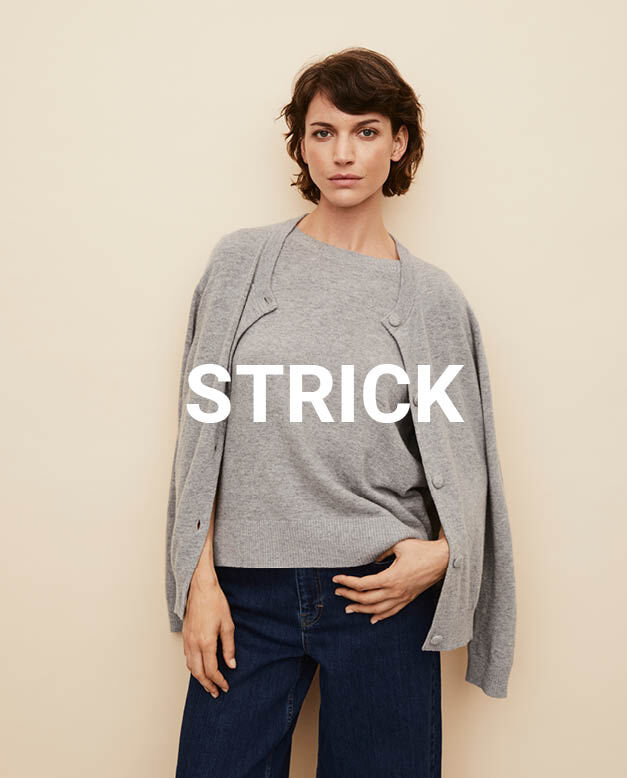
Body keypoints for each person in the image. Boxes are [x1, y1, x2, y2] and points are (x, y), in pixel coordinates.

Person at [167, 47, 516, 778]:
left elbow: (466, 467)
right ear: (301, 146)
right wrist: (198, 586)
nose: (343, 154)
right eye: (323, 133)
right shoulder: (240, 266)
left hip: (380, 595)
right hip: (246, 595)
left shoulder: (431, 300)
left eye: (366, 131)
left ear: (399, 143)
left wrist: (443, 554)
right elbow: (200, 436)